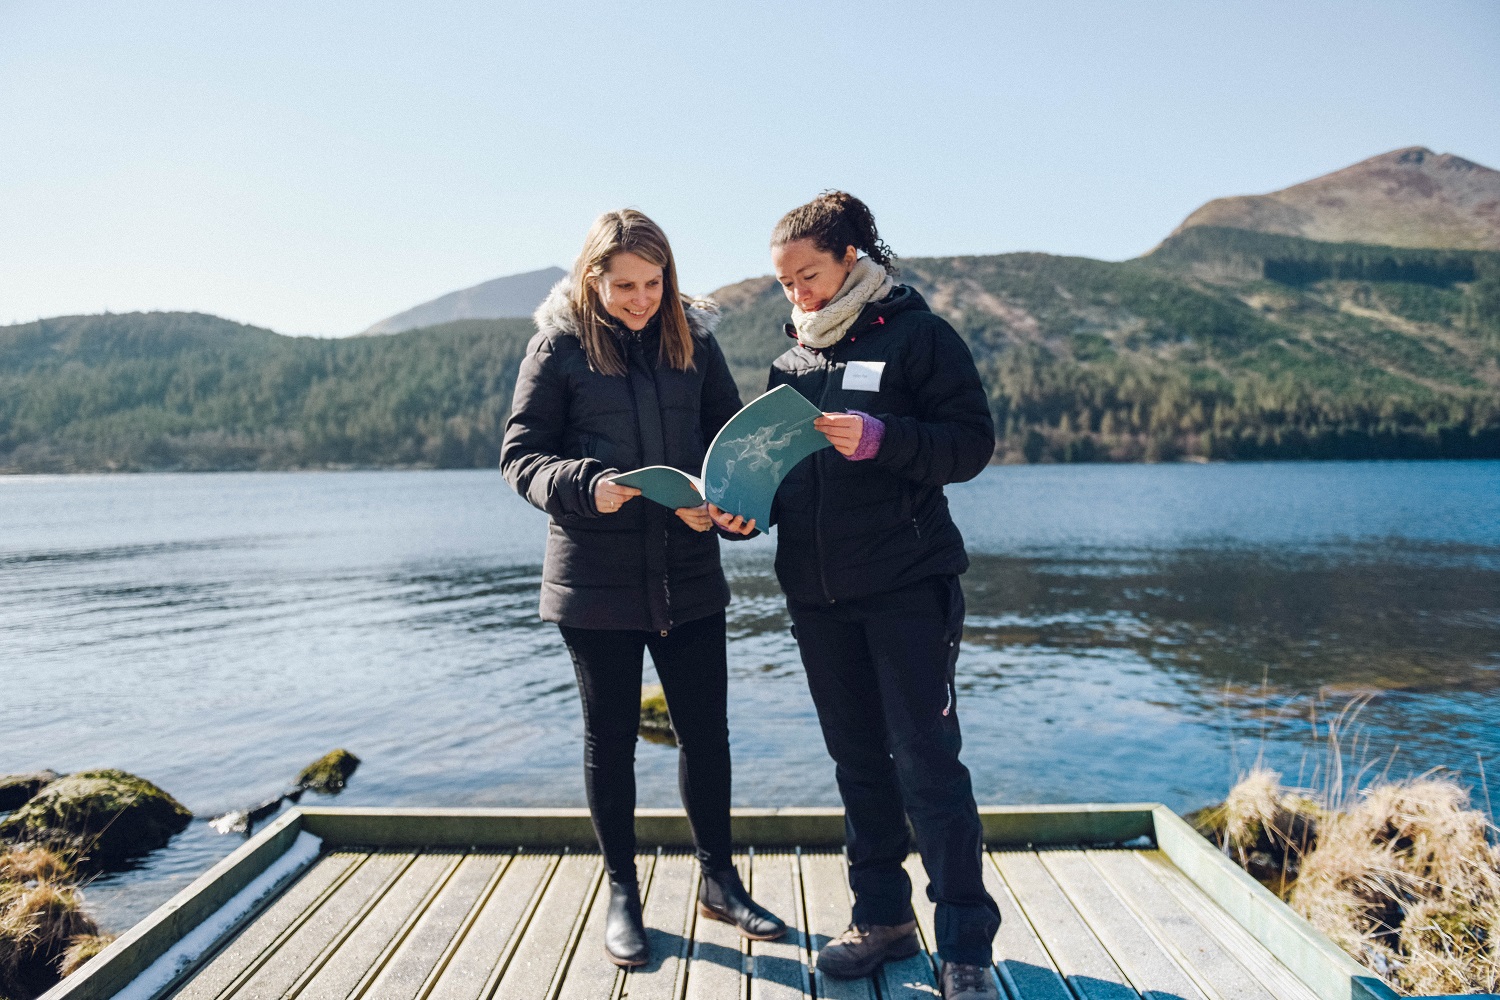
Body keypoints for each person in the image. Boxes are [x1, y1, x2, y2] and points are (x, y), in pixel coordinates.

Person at [713, 191, 1001, 1000]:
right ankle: (882, 917)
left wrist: (885, 439)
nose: (795, 294)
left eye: (806, 275)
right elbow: (785, 481)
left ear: (849, 259)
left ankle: (966, 947)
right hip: (817, 596)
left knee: (928, 765)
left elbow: (971, 444)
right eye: (783, 282)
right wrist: (743, 514)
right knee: (857, 764)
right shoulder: (793, 363)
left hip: (908, 588)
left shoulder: (919, 335)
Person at [501, 209, 784, 968]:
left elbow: (734, 445)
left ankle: (719, 883)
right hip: (593, 582)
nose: (640, 299)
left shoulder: (694, 343)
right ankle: (621, 891)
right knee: (611, 742)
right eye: (624, 284)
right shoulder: (557, 347)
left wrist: (730, 507)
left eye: (653, 283)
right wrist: (590, 485)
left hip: (689, 574)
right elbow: (522, 459)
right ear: (592, 279)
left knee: (708, 736)